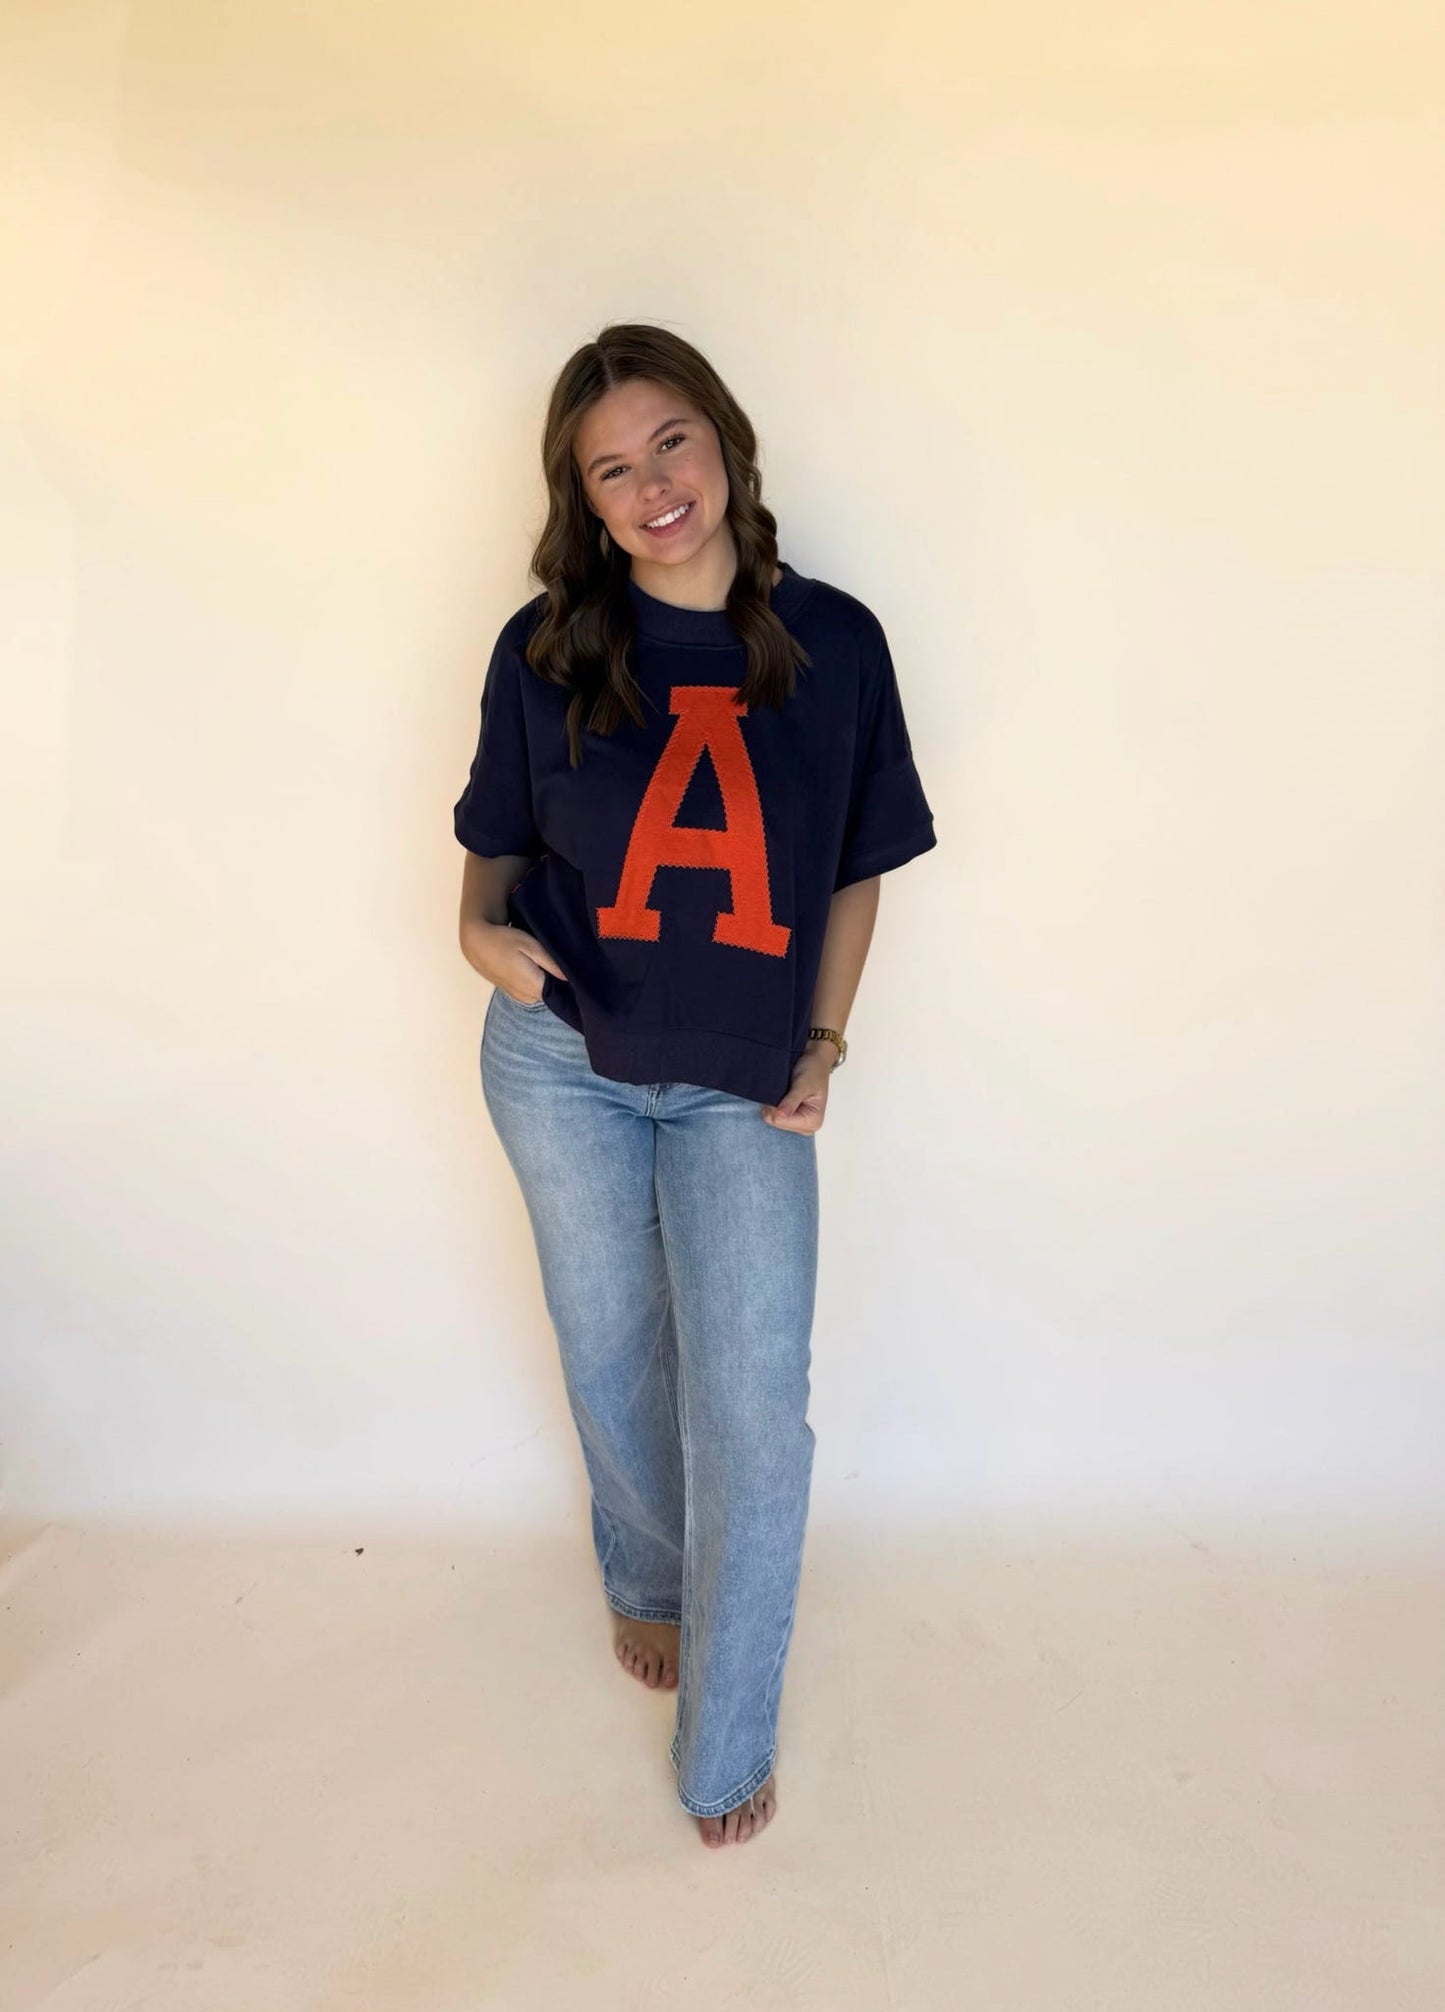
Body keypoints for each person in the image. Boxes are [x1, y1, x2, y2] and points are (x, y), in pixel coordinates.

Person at [454, 323, 938, 1848]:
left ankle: (723, 1738)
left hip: (739, 1082)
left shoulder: (836, 643)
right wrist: (475, 935)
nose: (652, 483)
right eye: (611, 467)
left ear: (722, 438)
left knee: (751, 1407)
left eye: (669, 441)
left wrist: (825, 1041)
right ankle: (648, 1578)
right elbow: (493, 848)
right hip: (565, 1064)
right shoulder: (542, 645)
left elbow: (860, 866)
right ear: (582, 502)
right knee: (609, 1354)